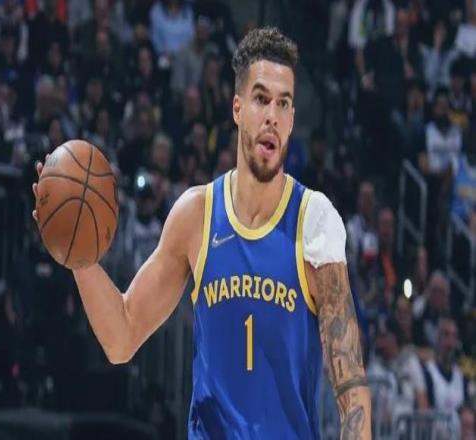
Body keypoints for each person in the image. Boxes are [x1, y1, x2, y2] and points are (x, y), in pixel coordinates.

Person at [32, 27, 371, 438]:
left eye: (284, 103)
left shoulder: (314, 220)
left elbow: (350, 385)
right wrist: (79, 256)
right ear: (237, 108)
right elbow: (121, 338)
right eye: (261, 99)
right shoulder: (196, 215)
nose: (272, 115)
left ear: (292, 119)